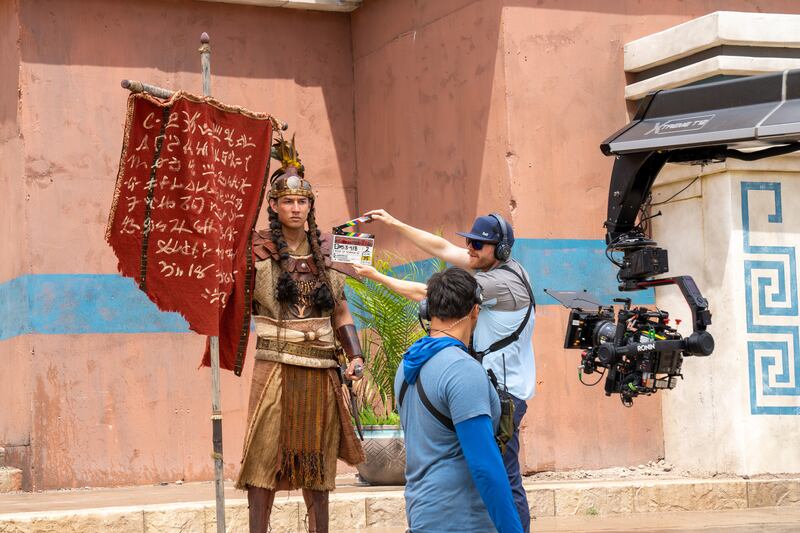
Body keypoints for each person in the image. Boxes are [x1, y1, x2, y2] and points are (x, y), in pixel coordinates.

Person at [353, 210, 535, 532]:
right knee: (488, 467)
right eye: (469, 242)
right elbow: (441, 247)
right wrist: (394, 223)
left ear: (501, 249)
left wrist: (378, 277)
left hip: (504, 391)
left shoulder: (499, 284)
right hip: (482, 385)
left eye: (478, 244)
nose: (469, 248)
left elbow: (433, 294)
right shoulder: (493, 267)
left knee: (504, 474)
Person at [237, 139, 365, 533]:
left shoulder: (330, 250)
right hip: (275, 365)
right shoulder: (254, 249)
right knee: (263, 458)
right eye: (288, 201)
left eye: (302, 201)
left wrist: (355, 355)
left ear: (310, 206)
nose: (296, 208)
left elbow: (340, 309)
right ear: (274, 205)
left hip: (321, 368)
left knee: (318, 463)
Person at [396, 267, 524, 533]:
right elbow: (485, 465)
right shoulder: (462, 370)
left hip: (422, 518)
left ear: (427, 310)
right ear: (475, 311)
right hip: (464, 522)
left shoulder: (407, 365)